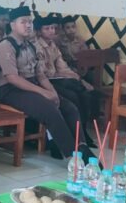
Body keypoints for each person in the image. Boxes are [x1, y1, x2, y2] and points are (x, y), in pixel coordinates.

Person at [0, 7, 93, 163]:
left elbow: (40, 75)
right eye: (23, 22)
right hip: (11, 90)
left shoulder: (32, 46)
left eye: (30, 22)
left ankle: (82, 146)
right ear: (13, 25)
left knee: (69, 107)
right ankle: (72, 156)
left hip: (31, 86)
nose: (28, 25)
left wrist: (52, 92)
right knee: (50, 109)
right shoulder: (5, 45)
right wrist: (43, 93)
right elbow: (12, 78)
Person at [35, 15, 99, 147]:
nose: (51, 31)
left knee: (86, 95)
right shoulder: (37, 46)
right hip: (45, 82)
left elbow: (62, 66)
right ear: (39, 31)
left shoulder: (53, 45)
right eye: (47, 28)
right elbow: (44, 73)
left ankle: (83, 133)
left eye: (53, 28)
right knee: (73, 96)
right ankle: (75, 135)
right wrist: (62, 74)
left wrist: (76, 77)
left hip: (58, 79)